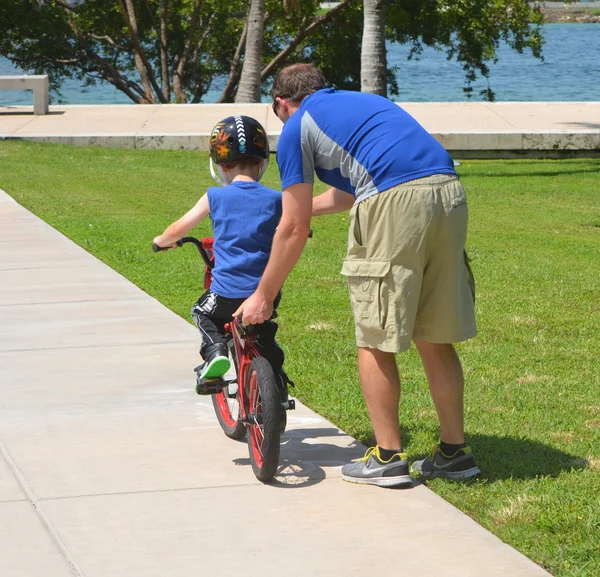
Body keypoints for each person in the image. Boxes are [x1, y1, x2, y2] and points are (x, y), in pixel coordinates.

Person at [234, 63, 480, 488]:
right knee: (433, 336)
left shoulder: (296, 127)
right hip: (449, 193)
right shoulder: (364, 103)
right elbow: (346, 194)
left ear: (280, 103)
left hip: (394, 203)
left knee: (374, 336)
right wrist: (285, 207)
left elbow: (293, 230)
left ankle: (386, 457)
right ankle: (454, 454)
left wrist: (263, 295)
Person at [154, 115, 290, 398]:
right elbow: (293, 226)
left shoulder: (215, 196)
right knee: (263, 333)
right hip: (266, 292)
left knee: (202, 312)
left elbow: (180, 227)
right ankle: (275, 380)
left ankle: (216, 351)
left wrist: (163, 241)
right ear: (262, 162)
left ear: (220, 165)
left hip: (227, 292)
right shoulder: (277, 199)